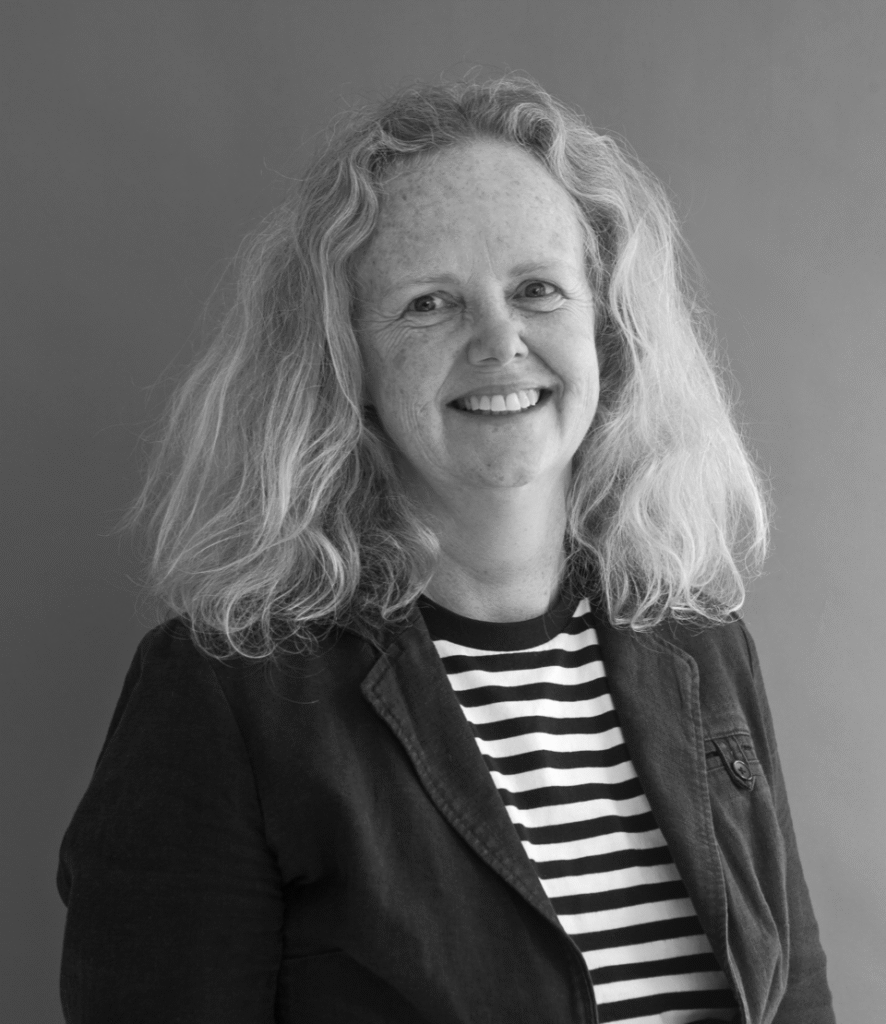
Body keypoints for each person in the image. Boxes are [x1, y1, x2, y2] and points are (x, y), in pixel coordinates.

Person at [57, 76, 835, 1024]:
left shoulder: (702, 646)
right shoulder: (226, 694)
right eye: (430, 304)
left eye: (539, 289)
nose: (500, 341)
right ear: (349, 364)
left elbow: (794, 999)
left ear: (609, 329)